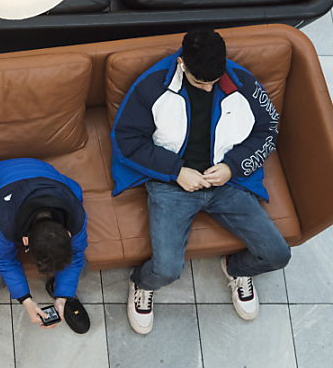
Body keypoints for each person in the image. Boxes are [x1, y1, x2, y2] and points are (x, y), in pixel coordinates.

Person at [111, 28, 290, 335]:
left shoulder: (242, 81)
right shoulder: (152, 85)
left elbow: (268, 129)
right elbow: (126, 140)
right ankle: (142, 283)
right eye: (199, 81)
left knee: (278, 255)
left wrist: (232, 168)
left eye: (213, 81)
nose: (208, 89)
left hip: (226, 183)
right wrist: (176, 171)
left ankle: (236, 269)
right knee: (166, 271)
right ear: (182, 63)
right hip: (172, 184)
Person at [0, 158, 91, 345]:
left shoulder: (76, 216)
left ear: (68, 233)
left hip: (38, 179)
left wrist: (62, 296)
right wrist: (26, 300)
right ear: (25, 242)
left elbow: (77, 255)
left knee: (83, 268)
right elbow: (3, 259)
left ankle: (58, 289)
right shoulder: (4, 222)